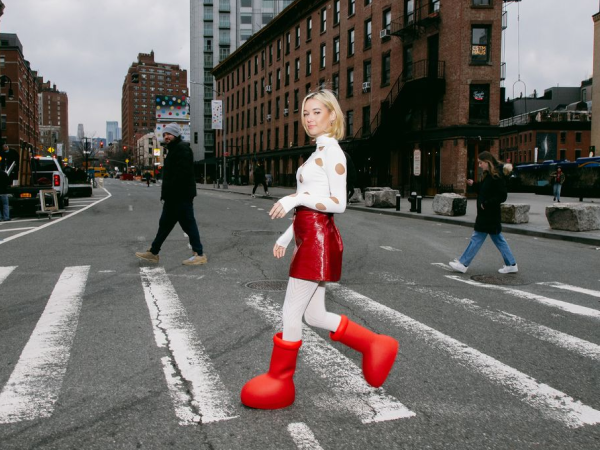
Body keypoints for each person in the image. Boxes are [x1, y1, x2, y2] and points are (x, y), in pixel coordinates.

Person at [241, 89, 398, 410]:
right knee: (314, 314)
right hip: (308, 238)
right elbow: (308, 205)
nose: (309, 119)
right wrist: (286, 237)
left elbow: (337, 204)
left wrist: (294, 198)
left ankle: (280, 381)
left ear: (332, 115)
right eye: (305, 113)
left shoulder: (333, 154)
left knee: (290, 312)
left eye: (316, 112)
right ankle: (375, 344)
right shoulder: (317, 153)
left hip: (318, 241)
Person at [135, 123, 207, 266]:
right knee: (164, 225)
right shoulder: (174, 150)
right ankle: (153, 252)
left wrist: (174, 193)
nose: (166, 137)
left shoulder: (182, 149)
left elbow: (182, 174)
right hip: (173, 197)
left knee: (189, 225)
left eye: (169, 134)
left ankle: (199, 254)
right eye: (165, 134)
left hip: (180, 196)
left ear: (176, 135)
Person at [449, 151, 518, 274]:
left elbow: (502, 196)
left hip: (488, 213)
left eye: (481, 163)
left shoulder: (497, 176)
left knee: (477, 238)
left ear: (487, 162)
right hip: (488, 213)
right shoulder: (490, 175)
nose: (479, 165)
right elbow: (484, 190)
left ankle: (463, 263)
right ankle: (511, 264)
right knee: (498, 239)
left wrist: (486, 203)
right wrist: (474, 184)